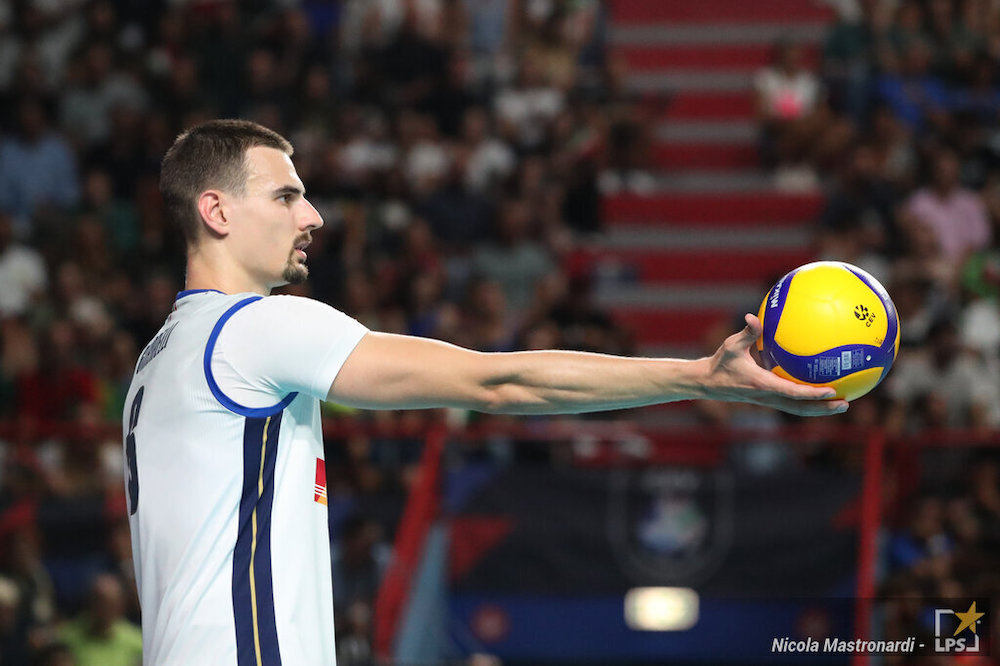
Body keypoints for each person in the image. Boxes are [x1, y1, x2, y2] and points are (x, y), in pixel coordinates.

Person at [124, 119, 848, 664]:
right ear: (217, 212)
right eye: (286, 196)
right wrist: (702, 378)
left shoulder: (157, 361)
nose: (311, 216)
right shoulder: (257, 328)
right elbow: (497, 381)